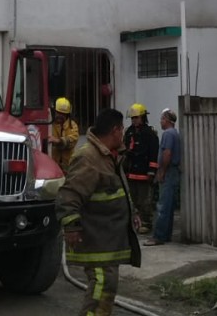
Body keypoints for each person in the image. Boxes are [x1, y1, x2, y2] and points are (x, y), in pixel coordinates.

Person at [56, 108, 141, 316]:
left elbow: (118, 188)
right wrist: (71, 226)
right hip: (95, 238)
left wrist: (133, 212)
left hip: (108, 238)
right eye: (121, 129)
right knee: (102, 284)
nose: (123, 134)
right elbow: (69, 194)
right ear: (115, 130)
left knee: (107, 285)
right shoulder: (89, 157)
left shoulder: (110, 155)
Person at [145, 108, 182, 246]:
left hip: (169, 172)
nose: (160, 122)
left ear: (166, 120)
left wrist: (162, 172)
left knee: (163, 206)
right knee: (169, 206)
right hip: (173, 172)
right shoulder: (174, 133)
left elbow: (167, 154)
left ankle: (159, 236)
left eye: (161, 119)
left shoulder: (168, 134)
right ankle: (166, 235)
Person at [123, 103, 159, 235]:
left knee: (145, 201)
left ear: (143, 117)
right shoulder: (129, 132)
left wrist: (151, 171)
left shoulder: (149, 134)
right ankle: (135, 222)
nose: (134, 120)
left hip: (144, 172)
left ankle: (146, 223)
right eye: (132, 118)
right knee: (133, 200)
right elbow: (125, 150)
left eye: (136, 118)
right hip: (132, 172)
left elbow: (153, 154)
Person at [47, 96, 79, 173]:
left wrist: (58, 141)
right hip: (52, 166)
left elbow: (72, 141)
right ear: (54, 111)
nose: (60, 116)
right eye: (58, 112)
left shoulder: (73, 126)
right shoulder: (48, 124)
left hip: (68, 167)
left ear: (67, 115)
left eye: (63, 114)